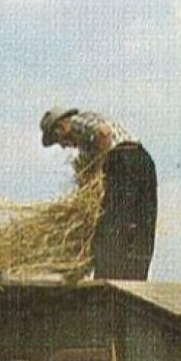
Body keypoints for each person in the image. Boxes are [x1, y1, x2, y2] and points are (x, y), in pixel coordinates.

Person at [40, 107, 158, 281]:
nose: (64, 146)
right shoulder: (86, 145)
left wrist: (102, 166)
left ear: (60, 128)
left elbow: (103, 133)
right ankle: (135, 277)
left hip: (122, 160)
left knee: (111, 226)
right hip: (143, 162)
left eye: (59, 141)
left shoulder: (76, 122)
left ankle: (109, 277)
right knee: (141, 226)